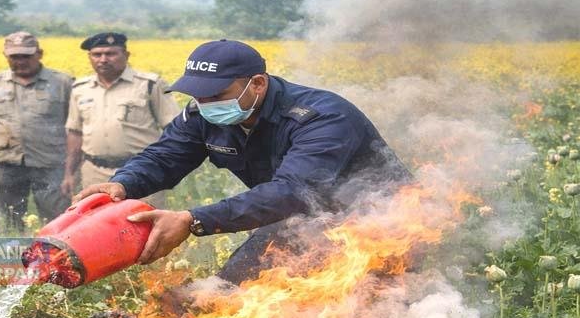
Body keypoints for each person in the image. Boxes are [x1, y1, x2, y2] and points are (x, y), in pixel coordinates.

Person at [76, 39, 410, 285]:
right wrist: (123, 183)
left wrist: (192, 220)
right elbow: (164, 157)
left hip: (378, 225)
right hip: (299, 219)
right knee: (226, 292)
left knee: (360, 317)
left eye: (216, 95)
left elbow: (293, 191)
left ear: (258, 84)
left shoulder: (323, 117)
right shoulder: (202, 114)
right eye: (198, 95)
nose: (205, 103)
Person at [63, 32, 179, 209]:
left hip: (140, 172)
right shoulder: (80, 88)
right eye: (97, 54)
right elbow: (75, 133)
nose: (103, 59)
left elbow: (174, 128)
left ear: (126, 55)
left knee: (142, 221)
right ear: (89, 57)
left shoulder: (150, 84)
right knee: (97, 222)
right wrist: (69, 174)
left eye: (110, 54)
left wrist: (166, 167)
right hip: (95, 173)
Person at [0, 31, 72, 229]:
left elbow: (74, 127)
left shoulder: (63, 83)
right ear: (6, 56)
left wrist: (72, 168)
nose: (20, 61)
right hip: (5, 162)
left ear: (39, 54)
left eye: (26, 56)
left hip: (50, 162)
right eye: (14, 56)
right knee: (9, 219)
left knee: (56, 219)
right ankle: (14, 247)